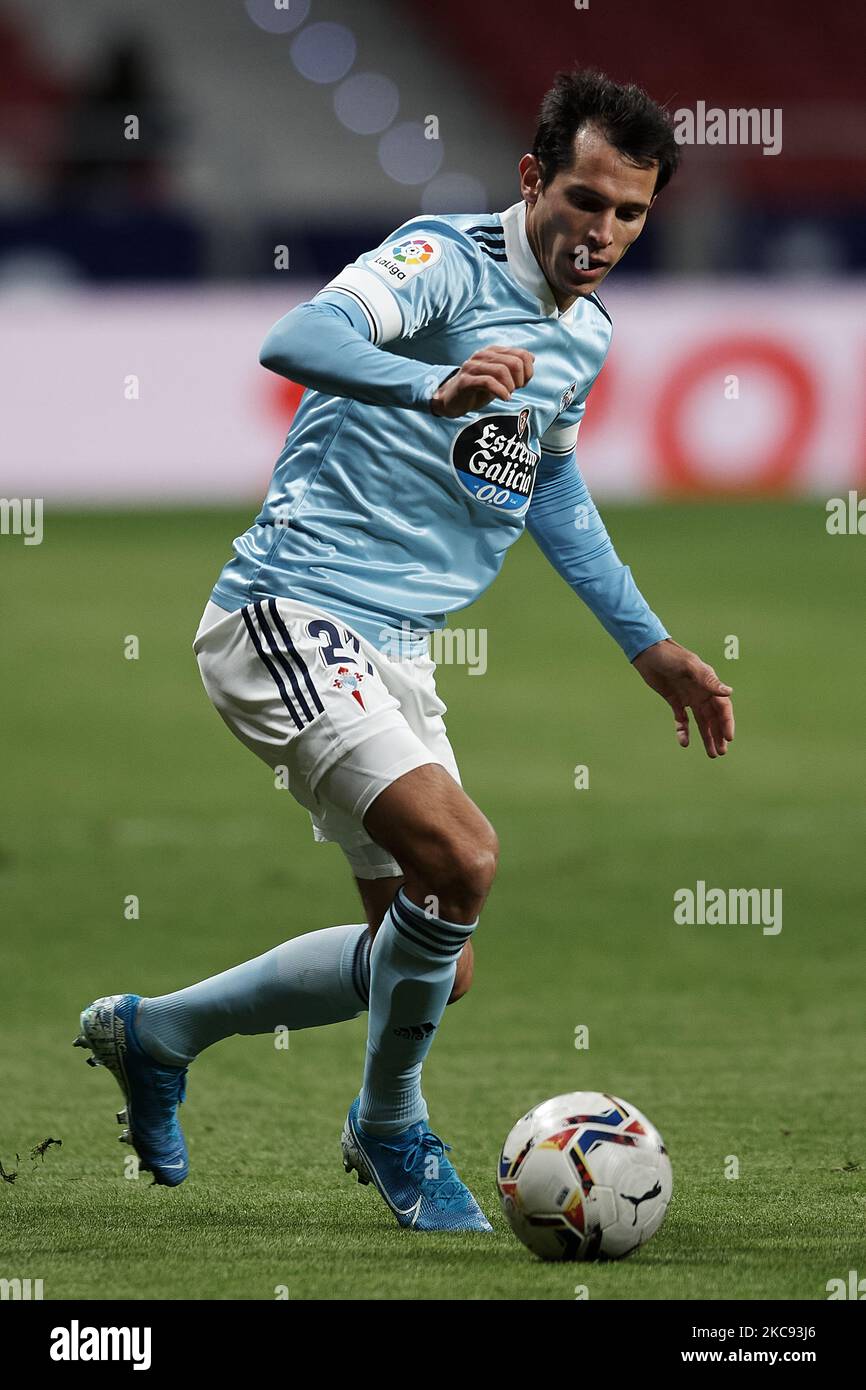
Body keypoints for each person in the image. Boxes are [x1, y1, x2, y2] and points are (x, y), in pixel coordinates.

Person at [76, 68, 734, 1231]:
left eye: (629, 213)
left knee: (429, 952)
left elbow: (548, 479)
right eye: (584, 200)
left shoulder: (583, 335)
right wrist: (432, 381)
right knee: (466, 861)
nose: (603, 234)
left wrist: (649, 643)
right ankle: (388, 1126)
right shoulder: (443, 262)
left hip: (396, 649)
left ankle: (158, 1031)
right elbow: (298, 334)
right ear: (531, 177)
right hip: (288, 611)